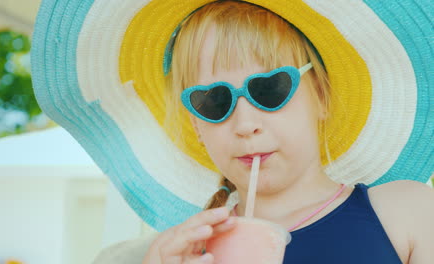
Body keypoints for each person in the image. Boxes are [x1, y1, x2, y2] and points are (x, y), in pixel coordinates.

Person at [31, 0, 433, 263]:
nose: (245, 124)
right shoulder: (186, 253)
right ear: (196, 125)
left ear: (322, 95)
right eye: (213, 101)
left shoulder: (407, 213)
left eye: (270, 88)